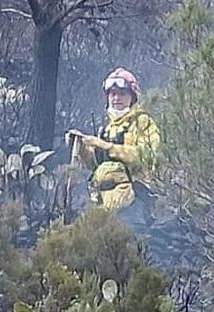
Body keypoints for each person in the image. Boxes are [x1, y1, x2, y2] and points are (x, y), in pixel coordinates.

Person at [66, 67, 160, 221]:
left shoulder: (143, 122)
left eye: (122, 94)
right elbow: (95, 164)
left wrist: (106, 146)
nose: (116, 98)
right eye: (112, 94)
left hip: (134, 204)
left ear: (133, 97)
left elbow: (147, 157)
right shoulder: (107, 129)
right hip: (103, 202)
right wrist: (81, 147)